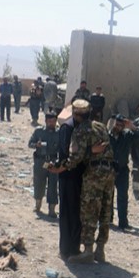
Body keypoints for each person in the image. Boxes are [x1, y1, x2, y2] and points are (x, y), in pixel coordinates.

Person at [49, 99, 115, 264]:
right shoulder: (101, 126)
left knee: (89, 212)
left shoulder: (79, 130)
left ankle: (87, 251)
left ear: (76, 114)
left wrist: (60, 168)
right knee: (106, 212)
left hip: (94, 174)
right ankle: (101, 250)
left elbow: (74, 158)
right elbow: (107, 147)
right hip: (110, 172)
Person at [55, 100, 86, 260]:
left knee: (78, 213)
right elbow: (66, 152)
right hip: (68, 175)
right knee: (67, 212)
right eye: (80, 114)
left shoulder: (85, 127)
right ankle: (65, 249)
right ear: (75, 113)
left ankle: (74, 248)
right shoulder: (67, 127)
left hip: (80, 176)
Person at [108, 114, 138, 231]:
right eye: (117, 124)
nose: (119, 127)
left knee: (122, 197)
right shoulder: (108, 135)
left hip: (122, 170)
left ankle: (123, 222)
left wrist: (131, 126)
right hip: (109, 169)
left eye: (121, 125)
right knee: (108, 196)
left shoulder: (126, 136)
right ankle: (108, 218)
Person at [28, 112, 60, 217]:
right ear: (46, 121)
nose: (52, 124)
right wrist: (36, 144)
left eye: (54, 121)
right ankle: (38, 204)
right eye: (50, 121)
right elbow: (30, 143)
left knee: (53, 185)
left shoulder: (59, 133)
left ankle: (52, 209)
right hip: (40, 161)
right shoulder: (39, 132)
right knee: (39, 182)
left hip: (53, 162)